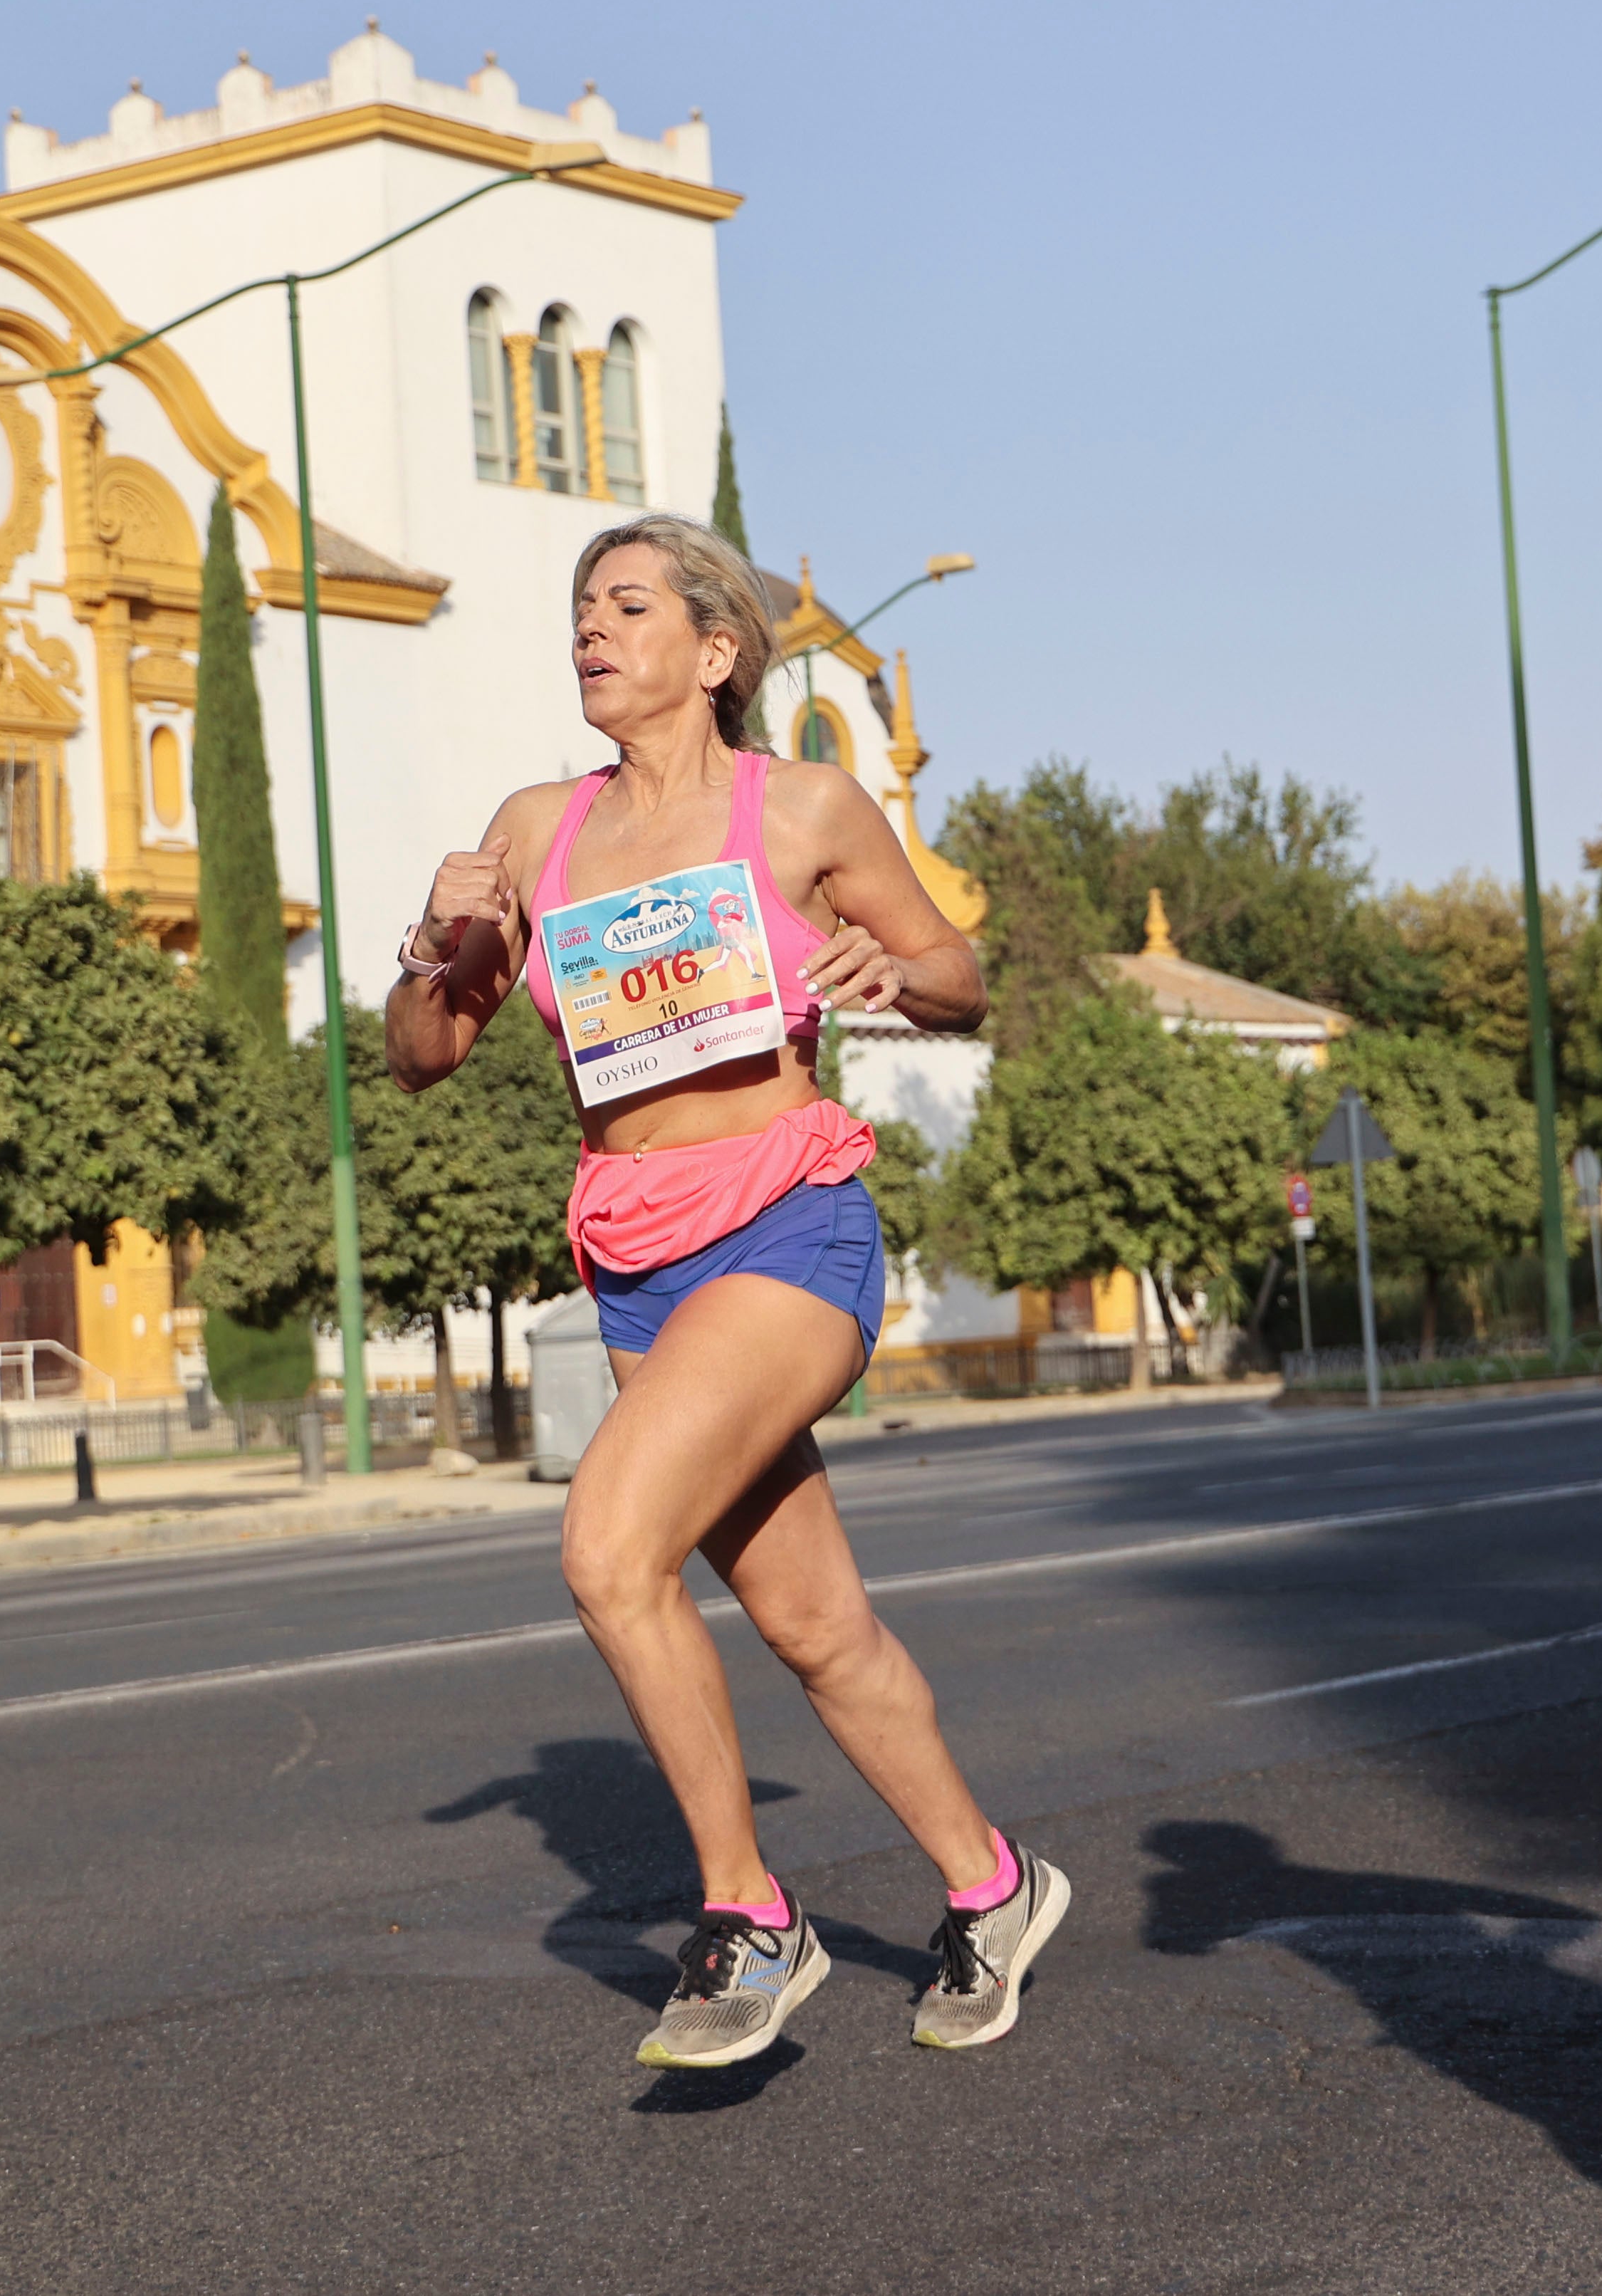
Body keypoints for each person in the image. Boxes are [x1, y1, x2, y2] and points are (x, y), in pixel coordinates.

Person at [388, 514, 1069, 2070]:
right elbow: (424, 1057)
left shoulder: (804, 808)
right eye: (579, 609)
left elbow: (959, 972)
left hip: (787, 1221)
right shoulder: (535, 826)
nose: (592, 628)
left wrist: (893, 977)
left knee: (610, 1545)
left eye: (628, 604)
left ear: (714, 652)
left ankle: (750, 1912)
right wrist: (435, 949)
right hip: (637, 1254)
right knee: (817, 1626)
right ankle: (994, 1882)